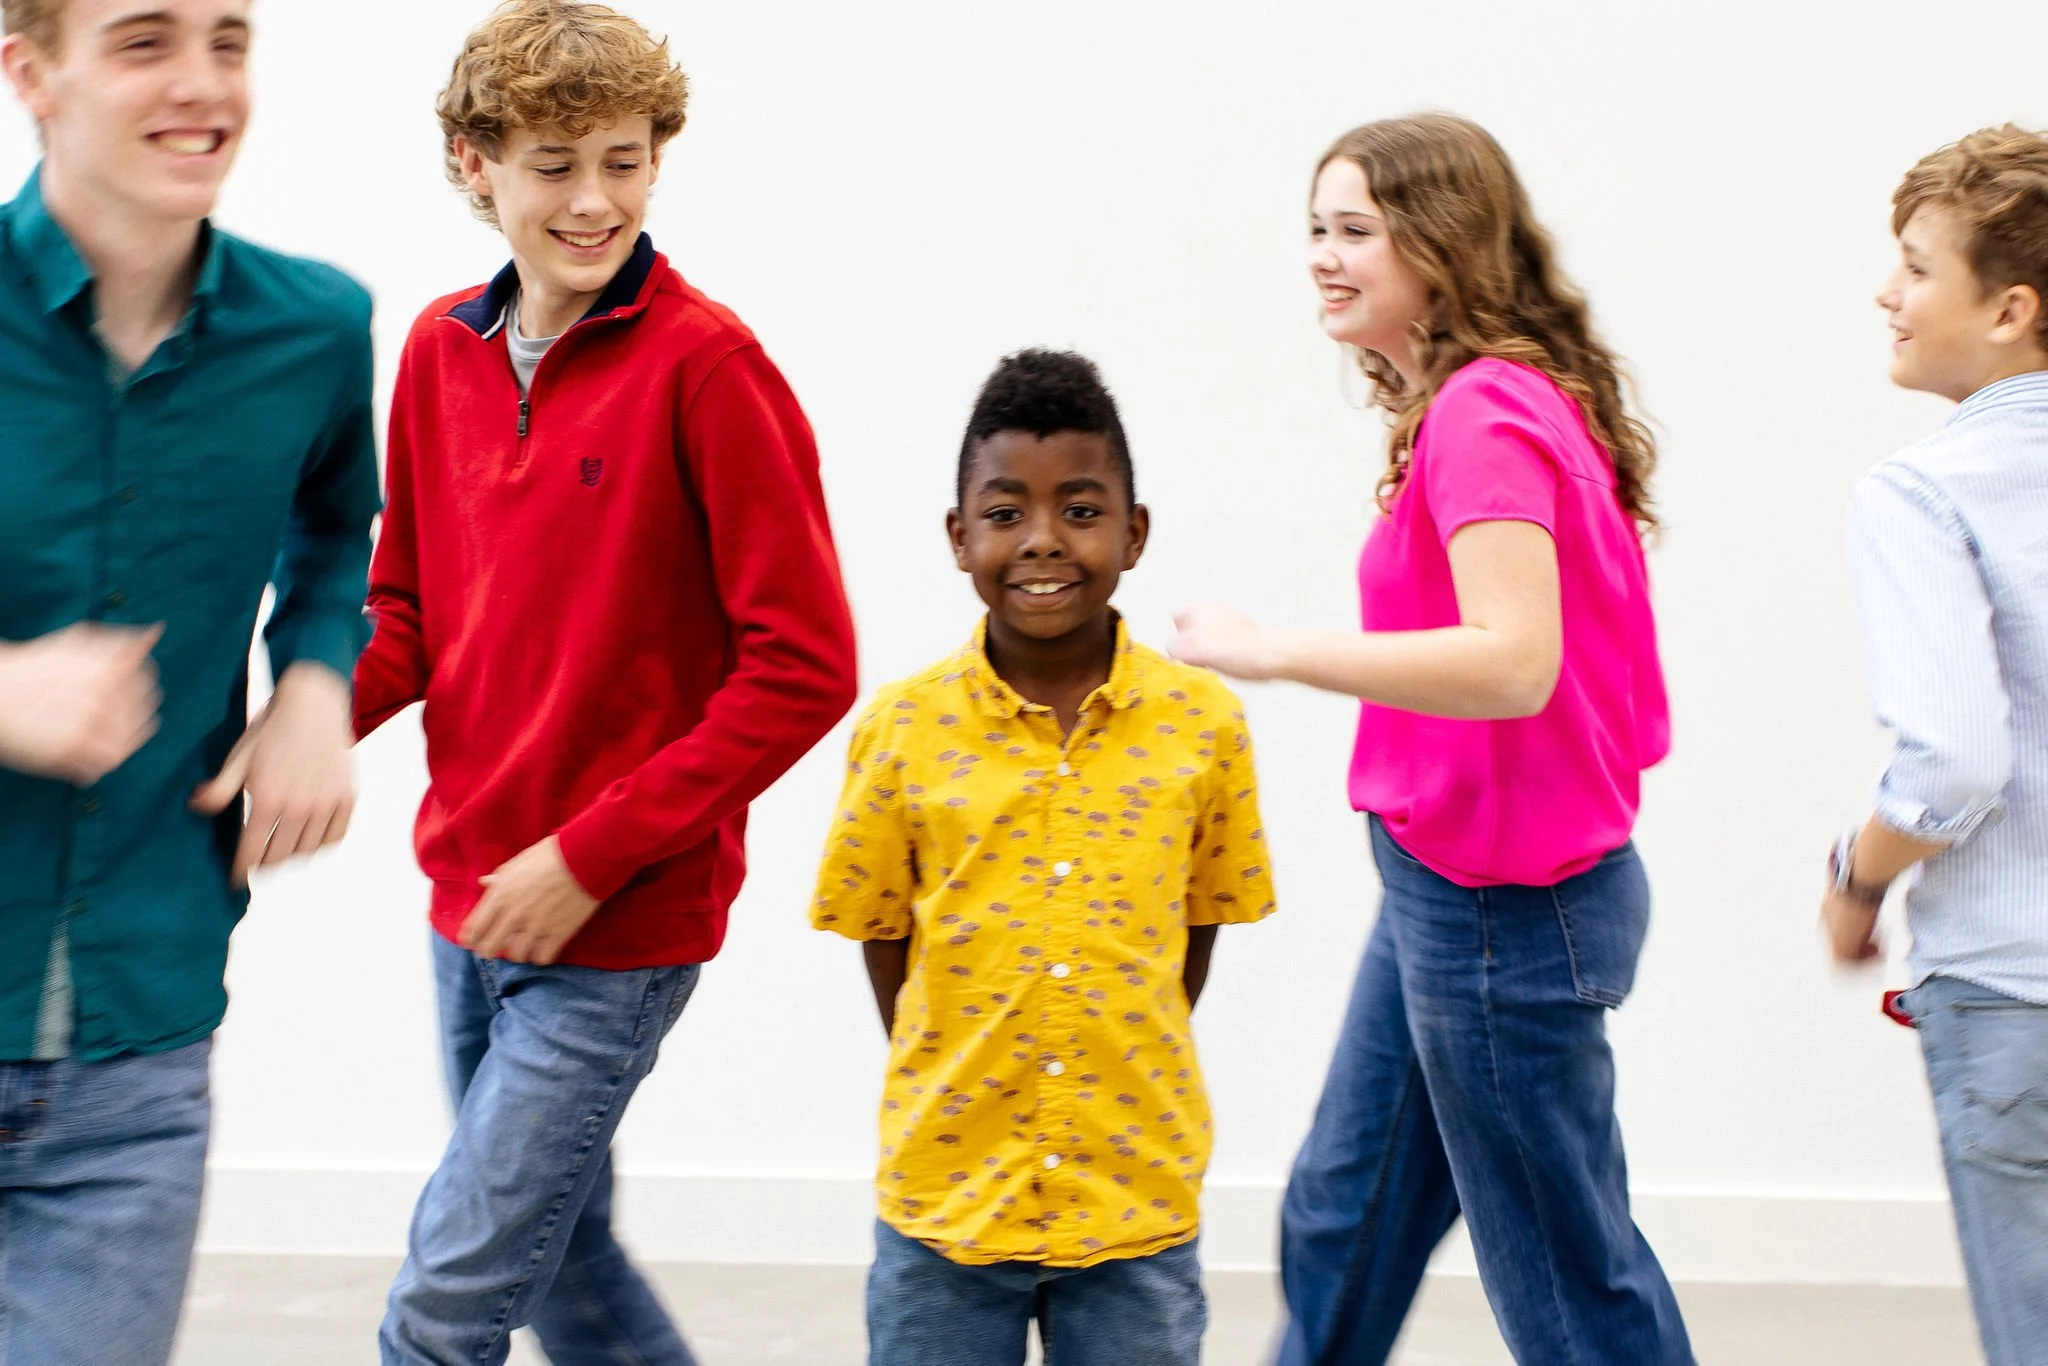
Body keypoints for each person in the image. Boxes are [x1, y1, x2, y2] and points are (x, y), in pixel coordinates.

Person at [351, 2, 857, 1361]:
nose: (596, 201)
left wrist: (593, 850)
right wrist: (284, 727)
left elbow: (806, 668)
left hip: (618, 918)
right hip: (467, 893)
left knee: (444, 1307)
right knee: (563, 1269)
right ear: (476, 162)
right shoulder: (437, 353)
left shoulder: (710, 367)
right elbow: (406, 611)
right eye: (558, 163)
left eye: (626, 162)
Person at [1170, 113, 1692, 1365]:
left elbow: (1514, 663)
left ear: (1440, 247)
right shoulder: (1473, 405)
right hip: (1442, 879)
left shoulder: (1481, 416)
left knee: (1569, 1283)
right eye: (1315, 227)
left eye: (1354, 230)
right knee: (1344, 1216)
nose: (1321, 255)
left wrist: (1270, 650)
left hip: (1509, 912)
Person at [0, 1, 378, 1362]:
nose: (205, 84)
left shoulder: (317, 329)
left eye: (229, 39)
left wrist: (318, 685)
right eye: (147, 40)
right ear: (31, 73)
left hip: (137, 1058)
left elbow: (340, 531)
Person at [811, 349, 1278, 1366]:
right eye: (1005, 511)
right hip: (947, 1200)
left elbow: (1191, 932)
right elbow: (884, 937)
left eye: (1077, 509)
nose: (1040, 541)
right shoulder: (900, 728)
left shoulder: (1203, 724)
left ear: (1132, 531)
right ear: (958, 535)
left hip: (1133, 1195)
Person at [1822, 124, 2048, 1366]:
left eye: (1914, 266)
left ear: (2009, 307)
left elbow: (1954, 761)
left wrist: (1854, 876)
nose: (1885, 292)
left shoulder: (1923, 491)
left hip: (2017, 995)